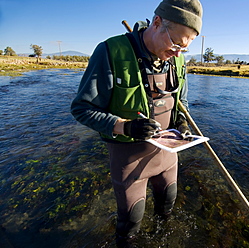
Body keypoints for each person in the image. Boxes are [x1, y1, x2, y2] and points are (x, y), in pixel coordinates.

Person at [71, 0, 203, 246]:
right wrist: (125, 126)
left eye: (184, 49)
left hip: (168, 158)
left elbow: (181, 101)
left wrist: (182, 123)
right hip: (129, 161)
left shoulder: (177, 59)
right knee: (130, 224)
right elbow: (81, 109)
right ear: (157, 23)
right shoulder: (111, 51)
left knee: (167, 208)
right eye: (175, 44)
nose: (177, 53)